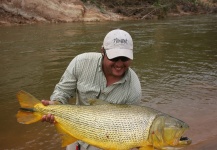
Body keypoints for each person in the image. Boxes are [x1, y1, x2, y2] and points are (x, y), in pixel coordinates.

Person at [41, 29, 142, 150]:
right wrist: (55, 104)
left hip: (106, 141)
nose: (119, 64)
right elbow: (63, 92)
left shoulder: (134, 88)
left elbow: (130, 128)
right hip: (74, 133)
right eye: (114, 57)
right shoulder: (80, 63)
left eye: (124, 58)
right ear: (103, 51)